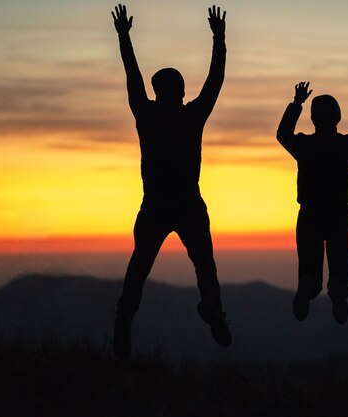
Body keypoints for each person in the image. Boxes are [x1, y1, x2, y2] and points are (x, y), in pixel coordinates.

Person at [110, 3, 230, 360]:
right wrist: (219, 39)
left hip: (156, 205)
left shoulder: (145, 113)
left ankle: (123, 321)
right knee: (205, 264)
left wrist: (124, 37)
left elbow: (132, 76)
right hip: (188, 204)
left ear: (156, 89)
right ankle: (214, 313)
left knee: (140, 266)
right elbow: (215, 81)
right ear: (180, 90)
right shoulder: (192, 115)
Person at [276, 82, 348, 324]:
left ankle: (307, 286)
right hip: (338, 216)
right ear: (338, 117)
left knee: (309, 270)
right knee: (341, 270)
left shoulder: (304, 145)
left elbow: (282, 135)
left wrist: (296, 104)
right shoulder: (347, 145)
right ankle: (338, 290)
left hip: (309, 216)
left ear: (313, 119)